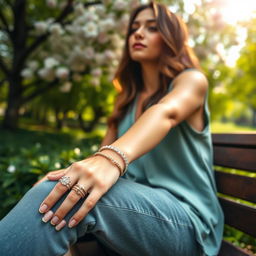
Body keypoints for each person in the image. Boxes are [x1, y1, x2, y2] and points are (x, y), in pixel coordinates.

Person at [0, 1, 224, 256]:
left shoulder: (191, 81)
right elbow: (97, 161)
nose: (138, 33)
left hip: (188, 226)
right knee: (61, 188)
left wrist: (112, 158)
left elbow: (165, 113)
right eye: (134, 28)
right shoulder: (126, 101)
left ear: (170, 37)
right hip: (138, 215)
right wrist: (69, 175)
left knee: (58, 196)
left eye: (152, 28)